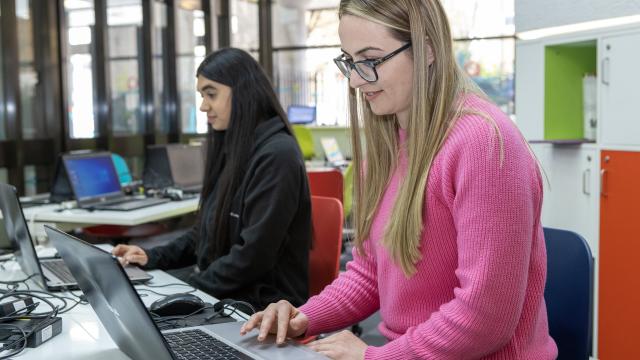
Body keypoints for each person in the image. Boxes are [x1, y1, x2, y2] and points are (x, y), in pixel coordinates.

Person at [241, 1, 558, 359]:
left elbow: (484, 319)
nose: (356, 80)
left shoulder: (483, 144)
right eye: (349, 60)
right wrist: (304, 318)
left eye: (372, 60)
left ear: (428, 50)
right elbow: (370, 274)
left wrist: (373, 357)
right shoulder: (388, 142)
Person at [112, 48, 312, 311]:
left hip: (262, 305)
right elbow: (204, 232)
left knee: (145, 314)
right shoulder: (235, 148)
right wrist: (152, 256)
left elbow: (252, 257)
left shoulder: (277, 155)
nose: (203, 105)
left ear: (242, 91)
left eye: (211, 94)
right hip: (229, 291)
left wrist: (190, 290)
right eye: (202, 95)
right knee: (131, 303)